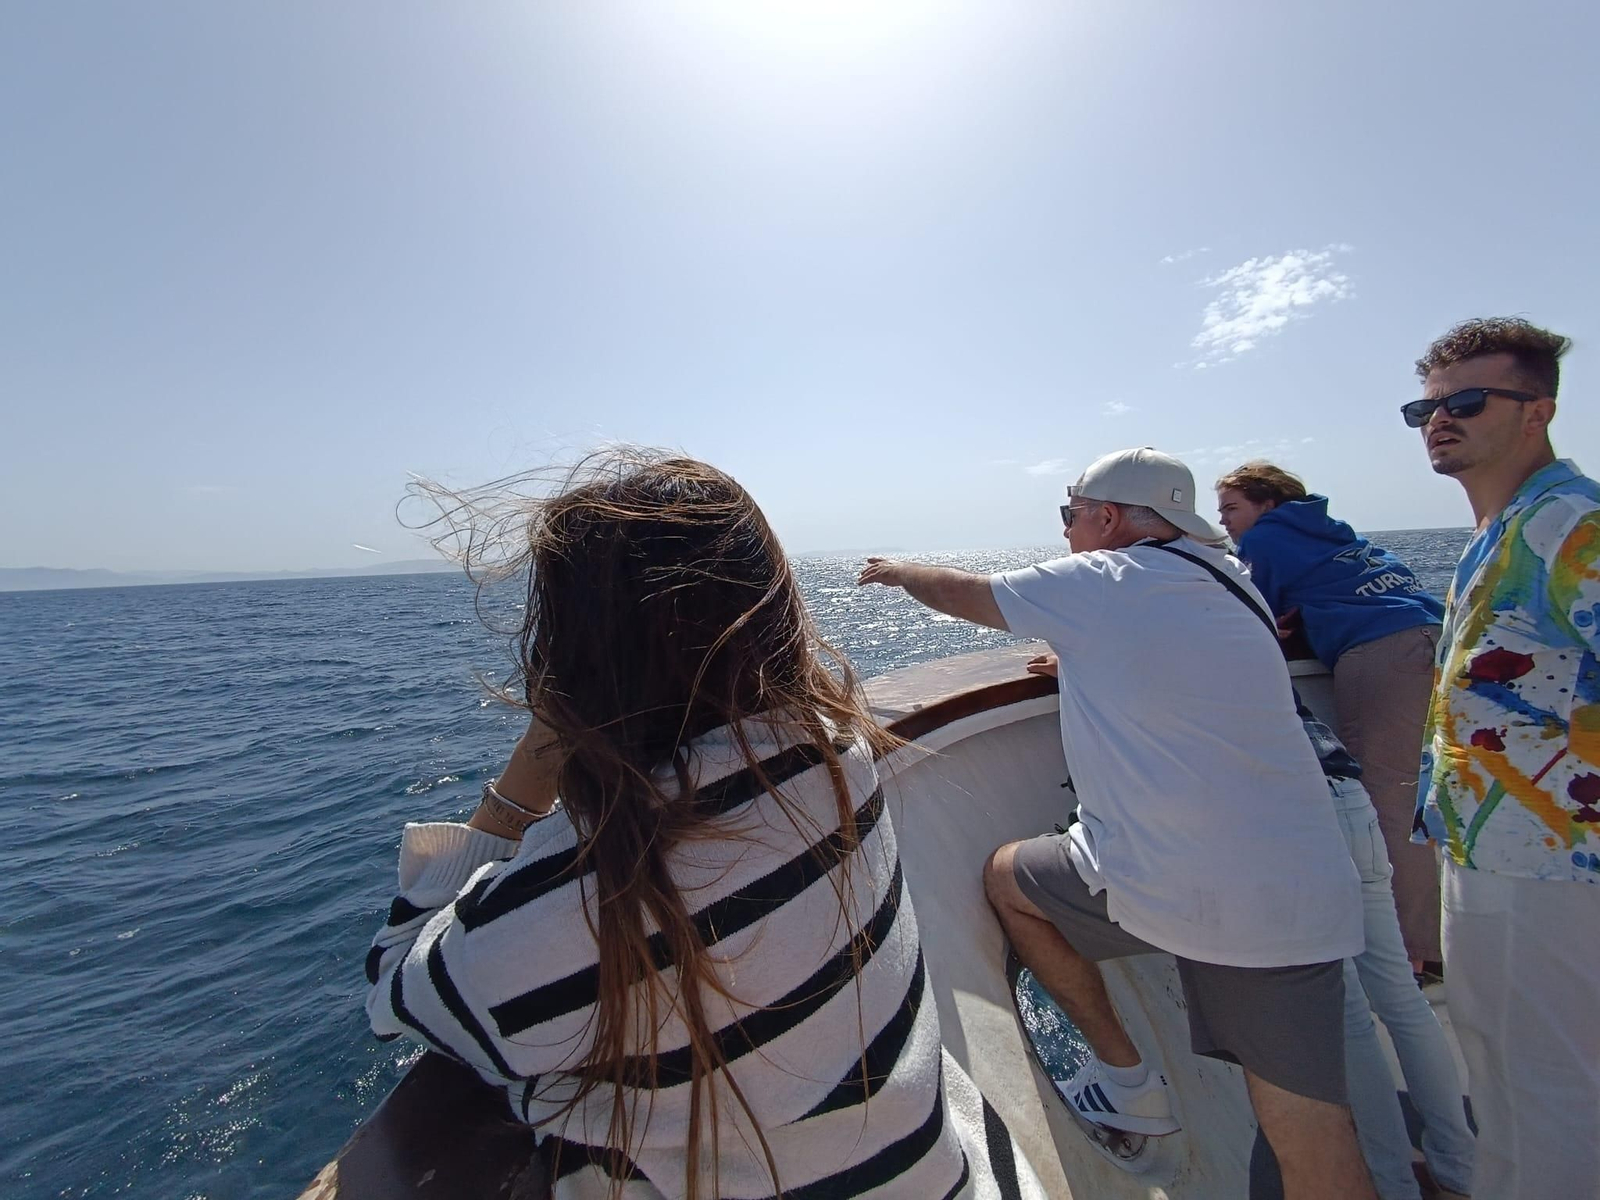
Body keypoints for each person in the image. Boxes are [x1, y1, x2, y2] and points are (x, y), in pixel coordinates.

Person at [365, 453, 1046, 1200]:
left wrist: (519, 792)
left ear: (570, 663)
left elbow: (395, 991)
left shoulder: (572, 909)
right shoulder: (836, 754)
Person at [859, 446, 1376, 1200]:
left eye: (1070, 516)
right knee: (1313, 1125)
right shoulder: (1231, 583)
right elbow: (1173, 658)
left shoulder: (1106, 579)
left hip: (1201, 893)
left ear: (1106, 518)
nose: (1067, 532)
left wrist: (902, 571)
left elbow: (971, 594)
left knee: (1311, 1150)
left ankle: (1131, 1084)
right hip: (1294, 885)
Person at [1408, 317, 1600, 1199]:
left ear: (1539, 411)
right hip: (1488, 849)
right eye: (1427, 406)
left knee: (1554, 1090)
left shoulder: (1571, 525)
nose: (1439, 420)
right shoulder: (1501, 532)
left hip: (1558, 865)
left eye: (1467, 402)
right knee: (1497, 1069)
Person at [1216, 462, 1446, 973]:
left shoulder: (1268, 540)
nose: (1224, 521)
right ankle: (1437, 933)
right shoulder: (1330, 530)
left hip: (1380, 649)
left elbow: (1252, 614)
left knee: (1388, 799)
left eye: (1232, 508)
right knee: (1420, 789)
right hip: (1431, 636)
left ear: (1267, 505)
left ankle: (1415, 951)